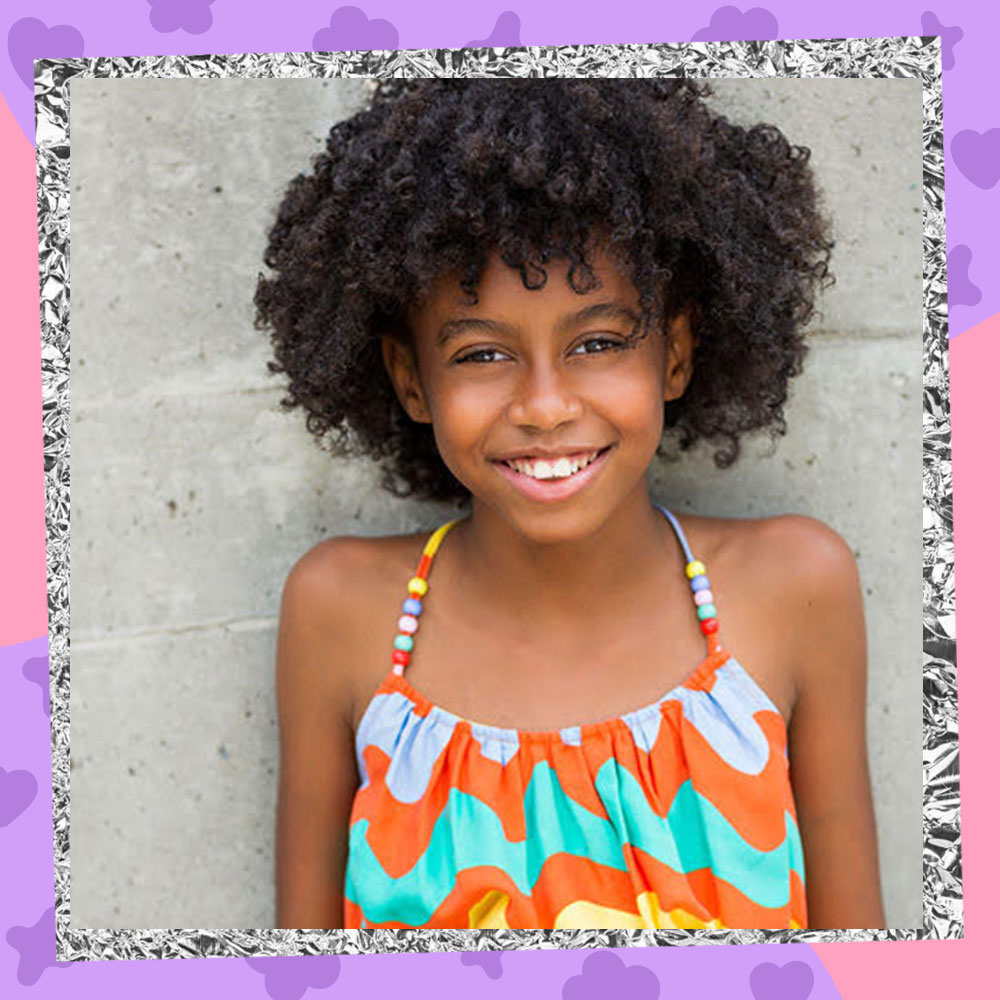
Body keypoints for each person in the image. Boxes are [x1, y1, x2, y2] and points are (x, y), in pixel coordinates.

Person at [255, 78, 885, 930]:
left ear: (676, 354)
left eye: (597, 342)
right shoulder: (340, 612)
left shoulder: (794, 587)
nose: (545, 405)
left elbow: (866, 960)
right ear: (411, 379)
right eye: (481, 355)